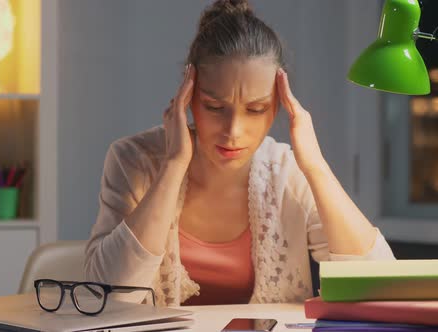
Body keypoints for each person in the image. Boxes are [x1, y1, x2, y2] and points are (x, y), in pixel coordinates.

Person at [84, 0, 395, 307]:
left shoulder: (287, 171)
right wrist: (174, 165)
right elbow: (106, 295)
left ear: (277, 107)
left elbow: (378, 284)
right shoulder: (132, 160)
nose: (233, 130)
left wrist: (315, 167)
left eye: (256, 109)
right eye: (215, 107)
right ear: (187, 98)